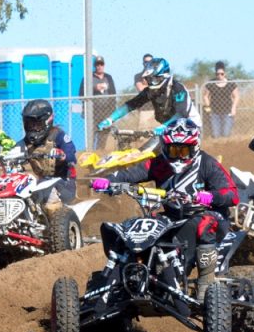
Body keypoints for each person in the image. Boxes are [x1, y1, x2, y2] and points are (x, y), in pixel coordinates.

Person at [91, 118, 237, 301]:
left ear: (194, 147)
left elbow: (232, 194)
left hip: (208, 215)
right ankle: (125, 280)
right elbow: (129, 174)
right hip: (173, 216)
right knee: (136, 228)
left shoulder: (207, 163)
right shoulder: (158, 163)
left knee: (202, 224)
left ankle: (206, 284)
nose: (177, 155)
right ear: (164, 147)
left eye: (183, 150)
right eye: (172, 149)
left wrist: (211, 196)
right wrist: (109, 181)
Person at [97, 57, 199, 137]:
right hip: (167, 128)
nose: (150, 83)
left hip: (190, 127)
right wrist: (110, 119)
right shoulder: (151, 91)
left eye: (153, 79)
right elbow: (131, 105)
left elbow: (181, 113)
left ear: (162, 77)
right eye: (149, 79)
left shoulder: (177, 88)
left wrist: (163, 127)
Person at [17, 99, 77, 206]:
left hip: (65, 184)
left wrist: (62, 155)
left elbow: (70, 156)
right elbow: (13, 152)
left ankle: (57, 220)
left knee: (46, 190)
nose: (32, 127)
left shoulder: (58, 135)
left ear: (47, 122)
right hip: (41, 183)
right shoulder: (27, 142)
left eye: (36, 124)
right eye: (29, 124)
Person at [78, 56, 116, 149]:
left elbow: (113, 94)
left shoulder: (108, 77)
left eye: (101, 64)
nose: (99, 66)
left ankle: (100, 152)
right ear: (95, 66)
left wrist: (112, 111)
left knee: (103, 134)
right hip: (93, 112)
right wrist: (94, 88)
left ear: (104, 65)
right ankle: (90, 152)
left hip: (106, 111)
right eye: (97, 64)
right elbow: (81, 94)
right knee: (91, 134)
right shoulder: (88, 78)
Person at [204, 61, 239, 138]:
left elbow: (236, 96)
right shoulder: (211, 83)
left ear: (225, 73)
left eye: (222, 74)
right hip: (214, 113)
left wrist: (234, 108)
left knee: (226, 134)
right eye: (217, 74)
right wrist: (208, 109)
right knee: (216, 135)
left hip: (228, 112)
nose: (220, 76)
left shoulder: (231, 83)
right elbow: (206, 96)